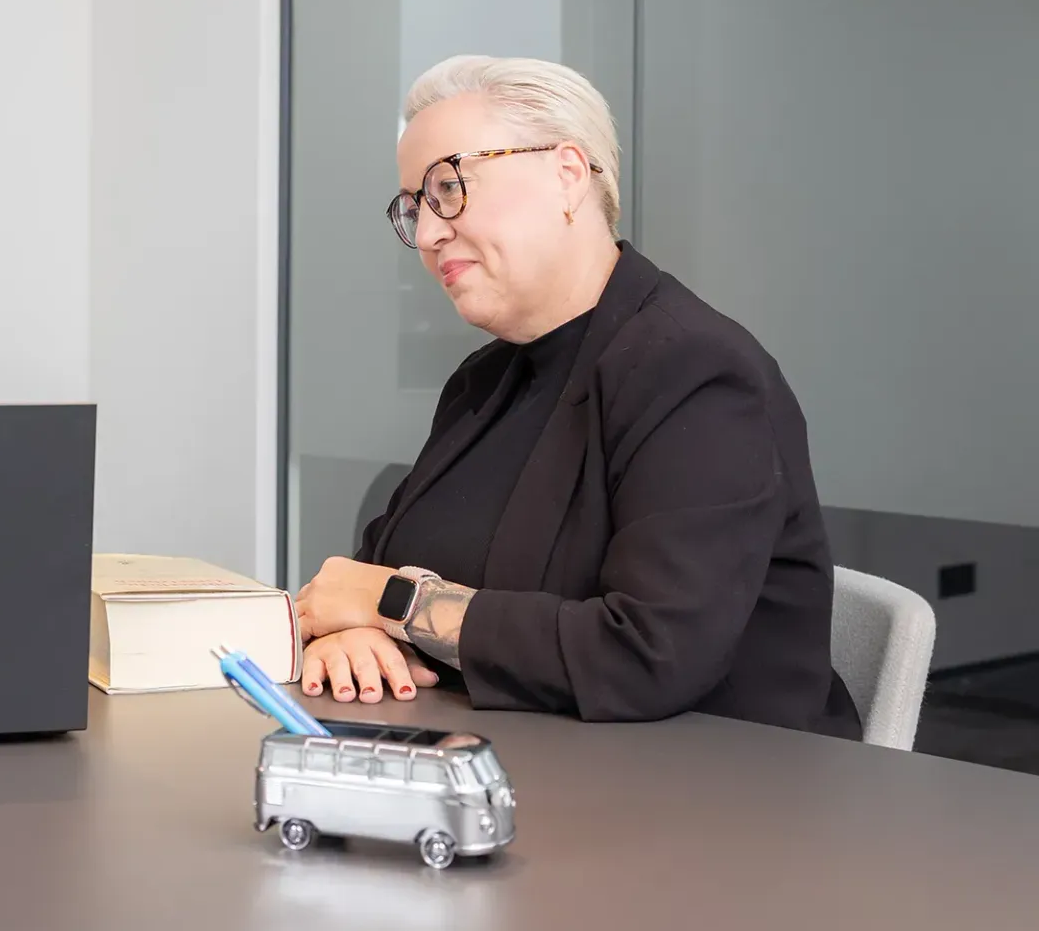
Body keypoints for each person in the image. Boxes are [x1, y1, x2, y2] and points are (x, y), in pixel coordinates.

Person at [294, 54, 860, 739]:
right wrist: (347, 641)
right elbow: (364, 576)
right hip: (523, 765)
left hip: (712, 802)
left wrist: (395, 607)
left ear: (566, 175)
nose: (431, 232)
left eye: (448, 187)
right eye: (414, 208)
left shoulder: (698, 372)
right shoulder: (485, 379)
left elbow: (647, 654)